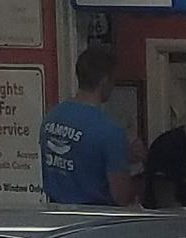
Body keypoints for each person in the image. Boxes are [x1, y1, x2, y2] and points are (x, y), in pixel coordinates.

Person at [38, 47, 136, 206]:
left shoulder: (52, 118)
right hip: (95, 220)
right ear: (104, 81)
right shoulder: (110, 131)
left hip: (56, 215)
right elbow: (121, 195)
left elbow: (79, 157)